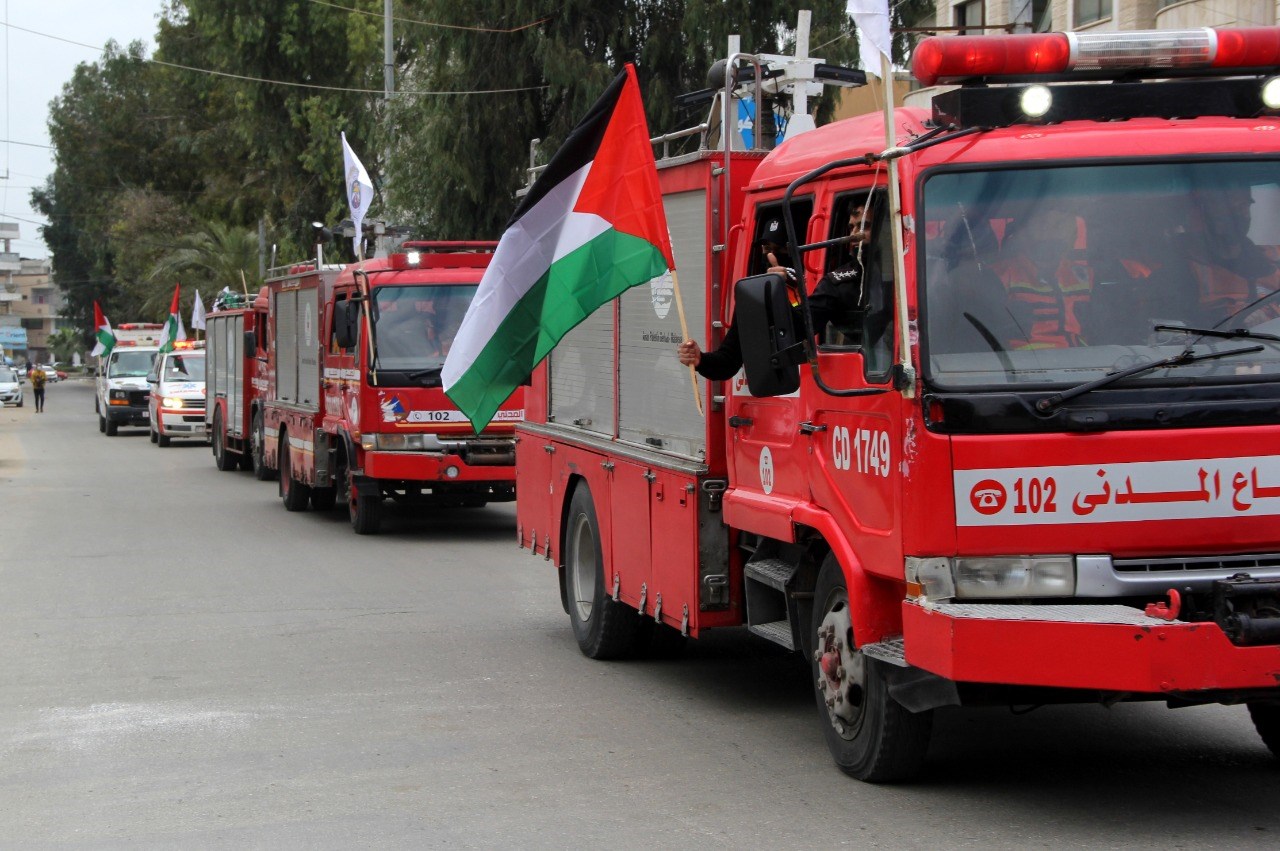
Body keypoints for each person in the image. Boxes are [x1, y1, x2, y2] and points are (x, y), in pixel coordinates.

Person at [678, 200, 874, 379]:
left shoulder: (833, 282)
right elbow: (728, 361)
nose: (771, 256)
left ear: (799, 251)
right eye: (766, 249)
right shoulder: (757, 295)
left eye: (780, 249)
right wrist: (700, 360)